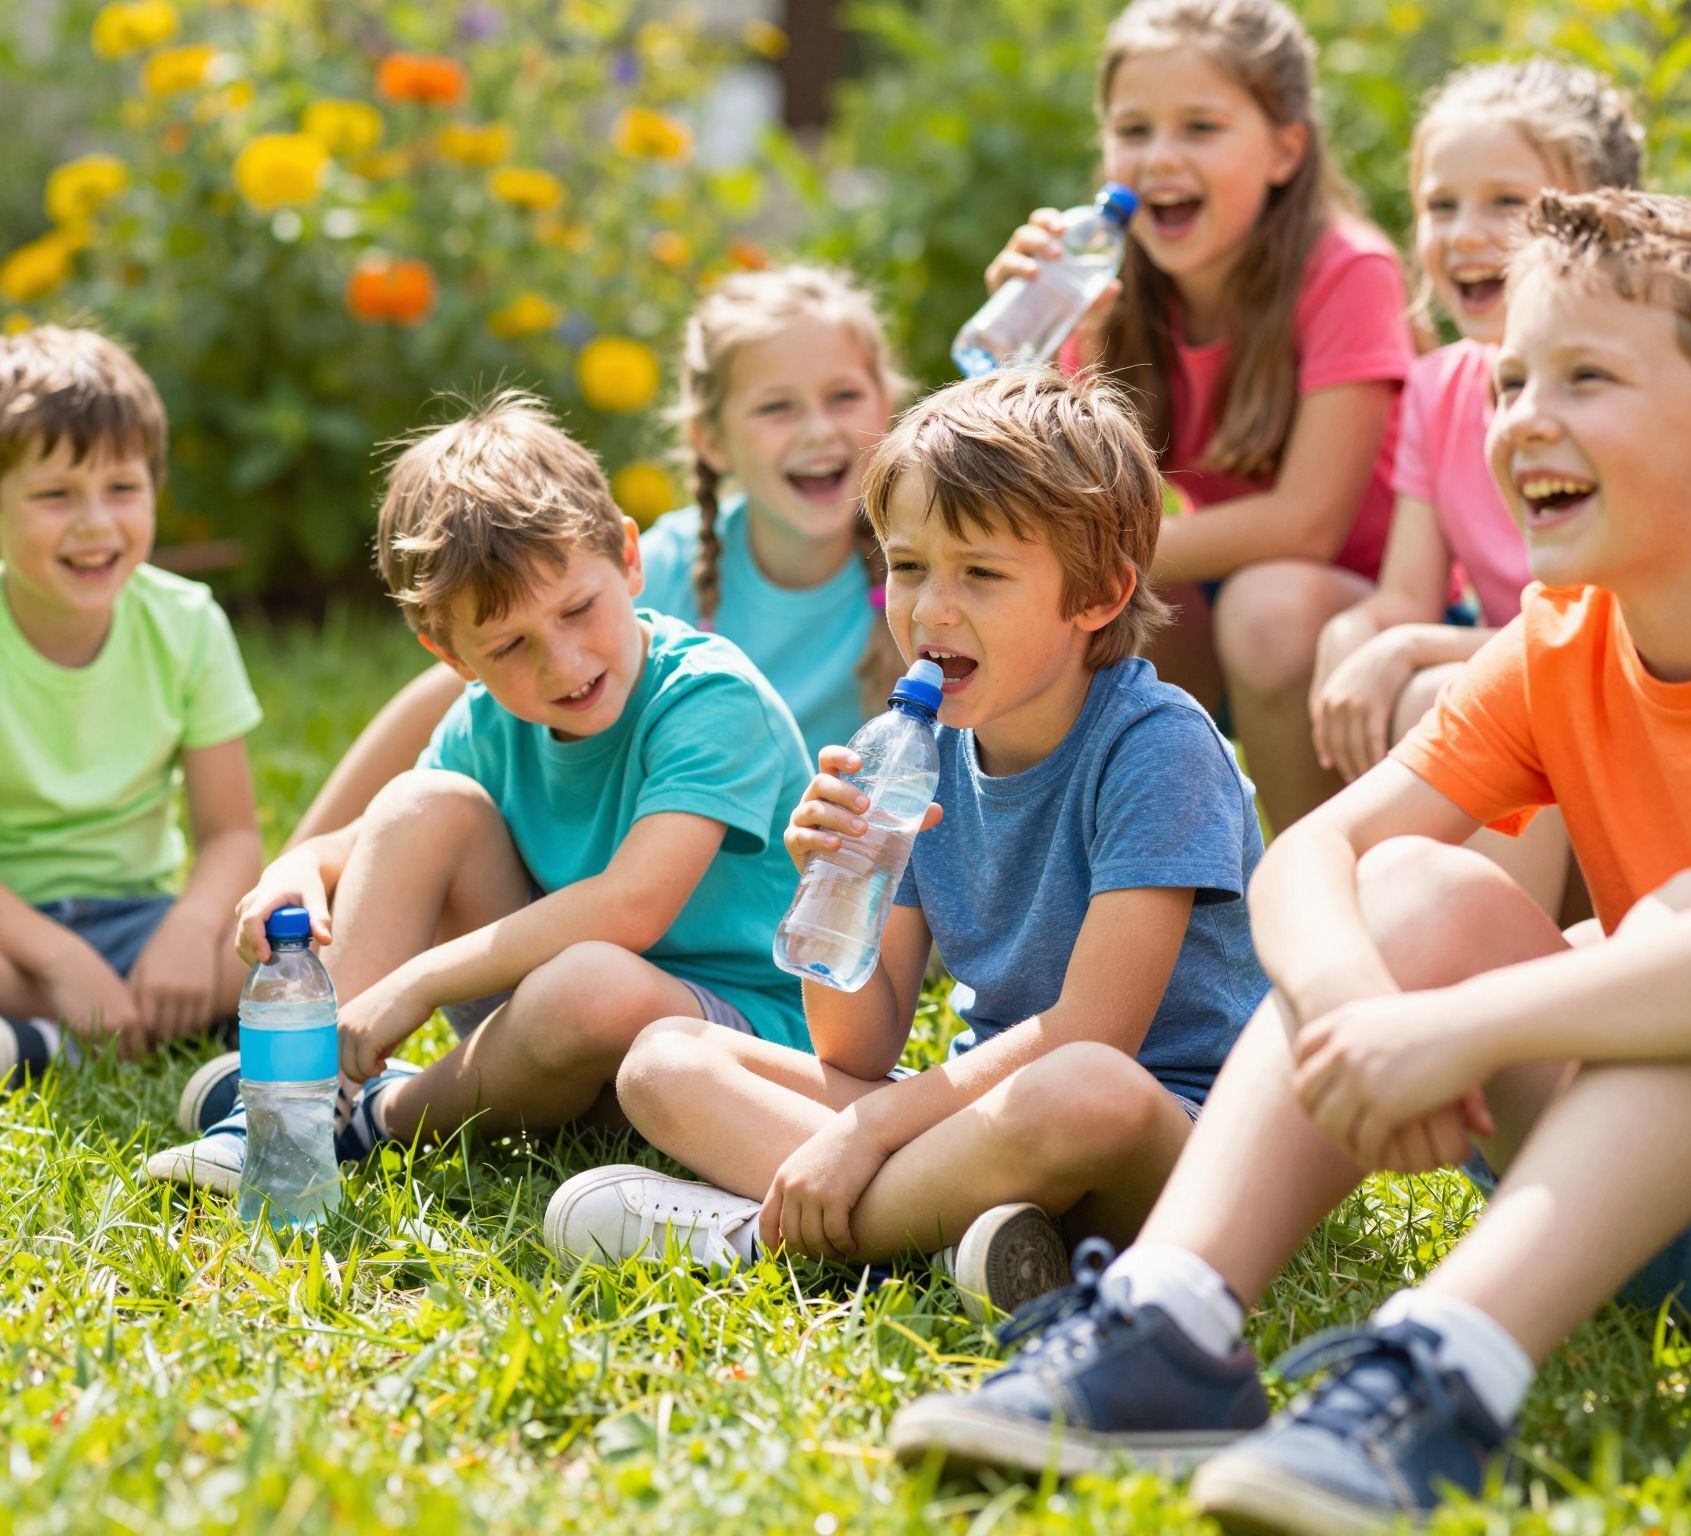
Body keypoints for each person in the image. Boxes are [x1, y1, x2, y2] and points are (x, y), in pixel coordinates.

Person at [886, 191, 1691, 1532]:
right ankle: (1169, 1322)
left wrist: (1469, 1027)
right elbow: (1313, 857)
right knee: (1414, 892)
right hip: (1648, 1206)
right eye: (1510, 381)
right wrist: (1366, 1012)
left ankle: (1441, 1373)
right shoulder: (1560, 642)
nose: (1522, 419)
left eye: (1586, 378)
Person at [541, 368, 1268, 1322]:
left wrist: (875, 1127)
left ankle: (755, 1237)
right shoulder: (918, 752)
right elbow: (861, 1040)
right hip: (979, 1127)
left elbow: (1096, 1034)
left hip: (1166, 1134)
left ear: (1098, 595)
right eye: (909, 566)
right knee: (665, 1057)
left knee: (1088, 1088)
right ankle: (969, 1239)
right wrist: (831, 892)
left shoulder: (1157, 746)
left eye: (982, 574)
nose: (929, 611)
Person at [145, 392, 811, 1191]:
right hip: (547, 1034)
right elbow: (371, 839)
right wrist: (299, 869)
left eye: (578, 609)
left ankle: (378, 1118)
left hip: (731, 1047)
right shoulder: (489, 716)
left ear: (629, 559)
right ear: (451, 655)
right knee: (421, 806)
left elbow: (632, 906)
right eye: (509, 645)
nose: (563, 664)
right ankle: (289, 1114)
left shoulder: (708, 696)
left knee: (586, 984)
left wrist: (416, 984)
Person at [282, 264, 901, 846]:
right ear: (710, 439)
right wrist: (303, 855)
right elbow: (451, 691)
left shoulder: (926, 574)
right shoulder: (662, 567)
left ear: (887, 404)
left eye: (844, 396)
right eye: (777, 407)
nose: (819, 429)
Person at [990, 0, 1413, 829]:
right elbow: (1072, 489)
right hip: (1233, 575)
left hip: (1372, 600)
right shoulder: (1116, 285)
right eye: (1134, 130)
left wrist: (1079, 554)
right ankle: (1107, 907)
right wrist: (1033, 349)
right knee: (1095, 630)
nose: (1160, 159)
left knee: (1260, 609)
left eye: (1201, 127)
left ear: (1287, 148)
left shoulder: (1349, 270)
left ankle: (1295, 907)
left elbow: (1307, 526)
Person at [1309, 59, 1643, 909]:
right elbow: (1405, 594)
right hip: (1523, 685)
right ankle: (1359, 916)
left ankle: (1485, 976)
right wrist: (1361, 636)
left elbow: (1615, 630)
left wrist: (1413, 645)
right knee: (1360, 652)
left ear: (1596, 218)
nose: (1463, 233)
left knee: (1434, 683)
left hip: (1627, 699)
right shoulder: (1440, 386)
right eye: (1439, 204)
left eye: (1506, 202)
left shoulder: (1632, 386)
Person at [0, 325, 261, 1085]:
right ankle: (86, 1024)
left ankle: (53, 1041)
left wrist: (189, 929)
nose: (95, 523)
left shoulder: (187, 623)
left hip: (144, 928)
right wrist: (61, 960)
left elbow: (232, 835)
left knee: (298, 951)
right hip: (15, 936)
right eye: (54, 495)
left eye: (122, 488)